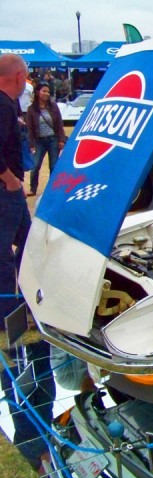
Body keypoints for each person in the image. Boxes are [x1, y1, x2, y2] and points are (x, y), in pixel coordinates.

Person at [0, 53, 31, 322]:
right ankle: (6, 315)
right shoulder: (2, 105)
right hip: (5, 191)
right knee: (3, 255)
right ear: (19, 76)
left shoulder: (9, 105)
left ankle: (30, 302)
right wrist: (9, 179)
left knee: (28, 245)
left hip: (12, 192)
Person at [25, 82, 66, 197]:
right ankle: (33, 189)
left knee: (53, 166)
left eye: (48, 91)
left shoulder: (53, 106)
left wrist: (61, 139)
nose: (46, 94)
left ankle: (52, 189)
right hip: (39, 141)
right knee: (35, 165)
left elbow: (59, 124)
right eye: (44, 91)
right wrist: (31, 144)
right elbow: (30, 129)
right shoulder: (31, 109)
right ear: (38, 92)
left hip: (53, 139)